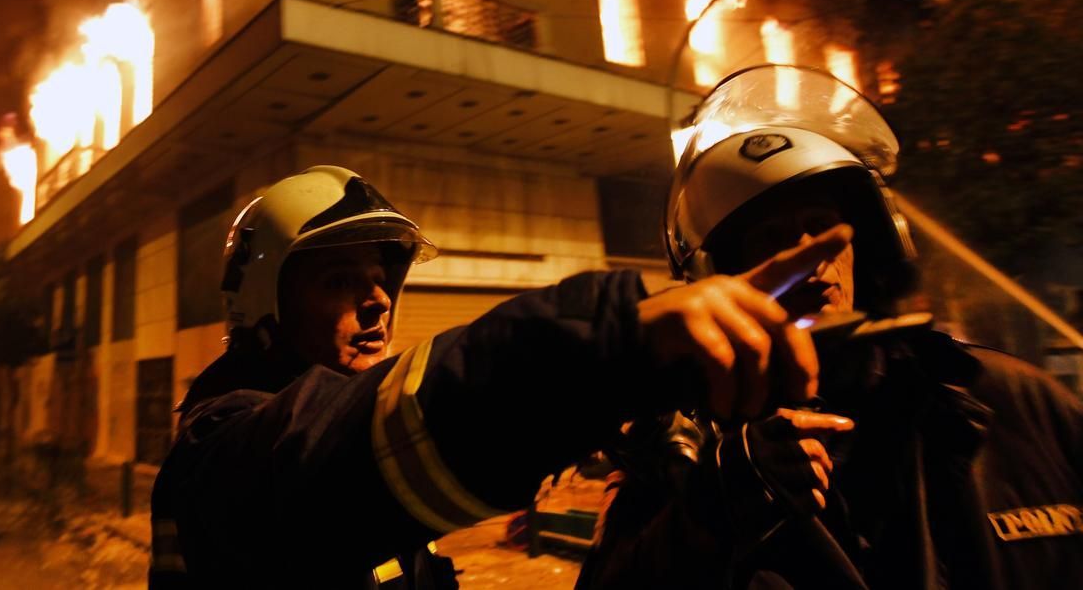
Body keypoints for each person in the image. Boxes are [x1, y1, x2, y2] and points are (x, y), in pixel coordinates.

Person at [148, 164, 841, 588]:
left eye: (382, 277)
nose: (378, 298)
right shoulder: (221, 449)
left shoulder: (344, 434)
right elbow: (341, 447)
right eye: (338, 279)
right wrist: (599, 351)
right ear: (266, 302)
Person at [577, 66, 1083, 590]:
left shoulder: (1018, 403)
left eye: (821, 227)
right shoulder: (679, 449)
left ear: (872, 246)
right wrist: (714, 509)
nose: (808, 257)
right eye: (773, 238)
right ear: (720, 278)